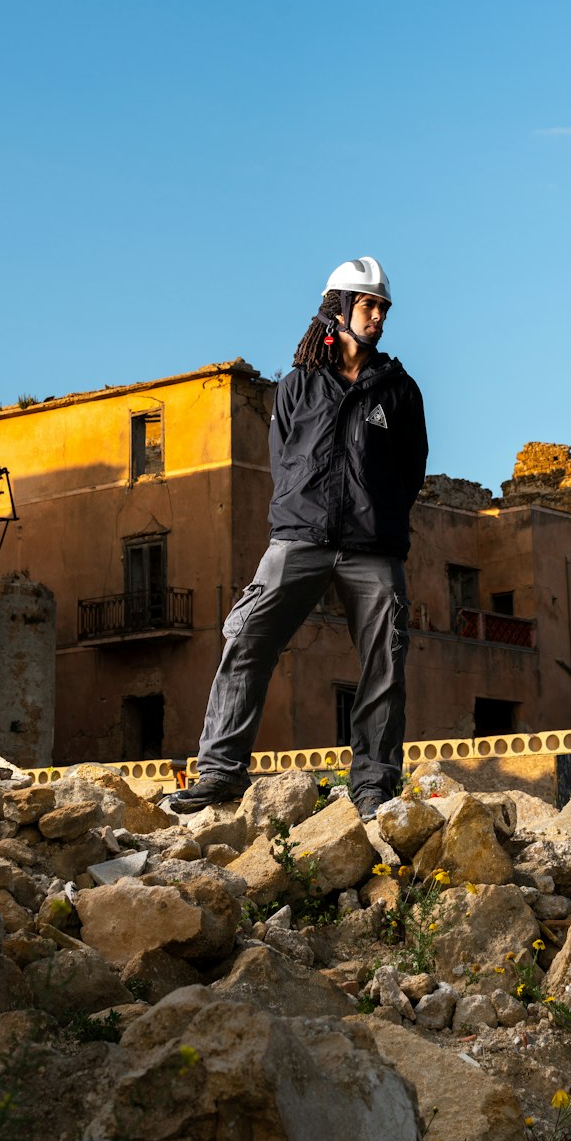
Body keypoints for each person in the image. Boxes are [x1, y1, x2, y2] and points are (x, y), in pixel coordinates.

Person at [170, 256, 428, 820]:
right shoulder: (298, 385)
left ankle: (374, 785)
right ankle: (218, 772)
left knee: (385, 657)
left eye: (383, 307)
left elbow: (412, 471)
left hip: (373, 548)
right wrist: (303, 513)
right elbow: (282, 459)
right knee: (246, 638)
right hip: (299, 539)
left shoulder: (400, 390)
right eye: (368, 304)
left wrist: (377, 517)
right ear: (337, 308)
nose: (378, 316)